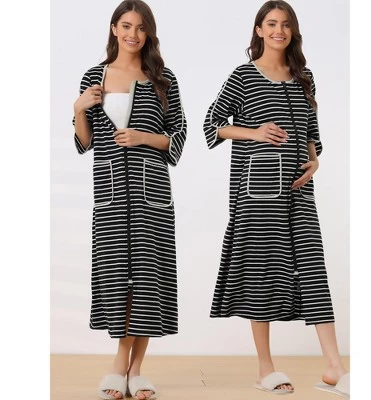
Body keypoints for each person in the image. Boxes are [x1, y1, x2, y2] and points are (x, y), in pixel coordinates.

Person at [203, 0, 349, 396]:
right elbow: (211, 125)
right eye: (271, 23)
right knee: (261, 272)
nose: (278, 30)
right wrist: (253, 132)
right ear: (259, 30)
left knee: (313, 268)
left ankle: (334, 367)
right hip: (257, 191)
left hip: (299, 188)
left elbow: (311, 130)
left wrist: (314, 160)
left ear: (293, 31)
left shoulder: (304, 77)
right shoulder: (243, 76)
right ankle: (265, 368)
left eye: (285, 24)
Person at [73, 1, 187, 398]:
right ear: (114, 28)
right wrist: (78, 108)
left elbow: (178, 135)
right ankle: (132, 369)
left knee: (147, 277)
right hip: (109, 195)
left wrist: (144, 137)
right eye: (125, 26)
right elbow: (85, 141)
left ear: (148, 33)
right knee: (116, 277)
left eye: (140, 27)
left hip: (151, 193)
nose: (132, 34)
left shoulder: (163, 79)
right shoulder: (94, 76)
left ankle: (126, 366)